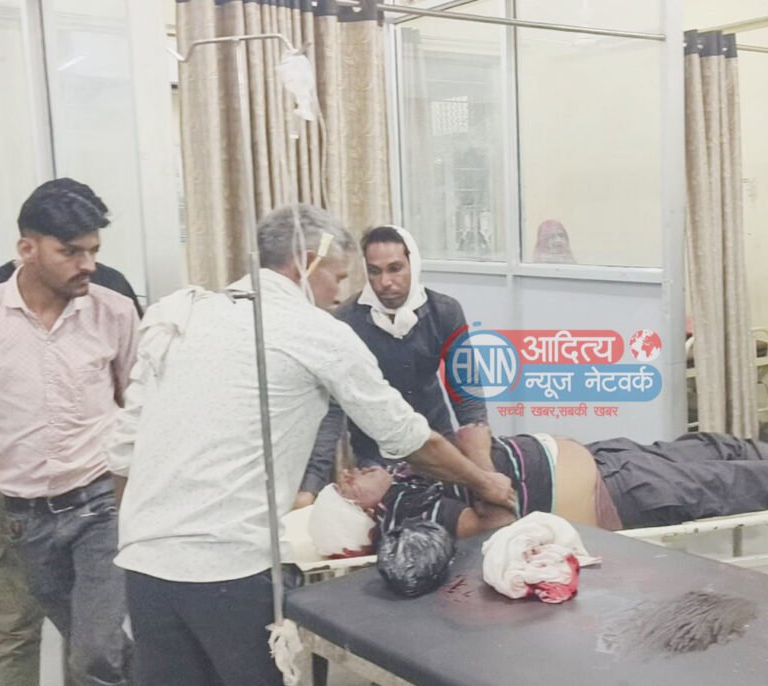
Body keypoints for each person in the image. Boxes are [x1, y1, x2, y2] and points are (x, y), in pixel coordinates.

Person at [109, 204, 515, 686]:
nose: (340, 292)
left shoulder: (180, 316)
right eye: (340, 276)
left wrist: (141, 535)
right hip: (232, 570)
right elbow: (402, 435)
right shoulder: (321, 330)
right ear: (308, 261)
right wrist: (483, 483)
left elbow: (125, 449)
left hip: (145, 567)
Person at [0, 178, 138, 685]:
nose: (87, 264)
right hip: (25, 515)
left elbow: (139, 403)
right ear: (27, 249)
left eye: (93, 251)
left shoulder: (114, 311)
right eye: (70, 252)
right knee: (89, 645)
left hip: (100, 504)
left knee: (94, 653)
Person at [334, 425, 768, 539]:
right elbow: (495, 523)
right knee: (732, 484)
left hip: (604, 458)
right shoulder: (411, 513)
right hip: (613, 496)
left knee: (711, 447)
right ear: (365, 513)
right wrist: (482, 470)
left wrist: (477, 460)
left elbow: (475, 431)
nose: (351, 473)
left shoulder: (408, 470)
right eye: (347, 488)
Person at [306, 225, 486, 493]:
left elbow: (466, 391)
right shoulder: (345, 322)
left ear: (414, 264)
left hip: (440, 447)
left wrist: (483, 472)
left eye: (395, 269)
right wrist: (310, 486)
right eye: (374, 271)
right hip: (377, 459)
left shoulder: (445, 312)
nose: (385, 282)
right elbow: (331, 411)